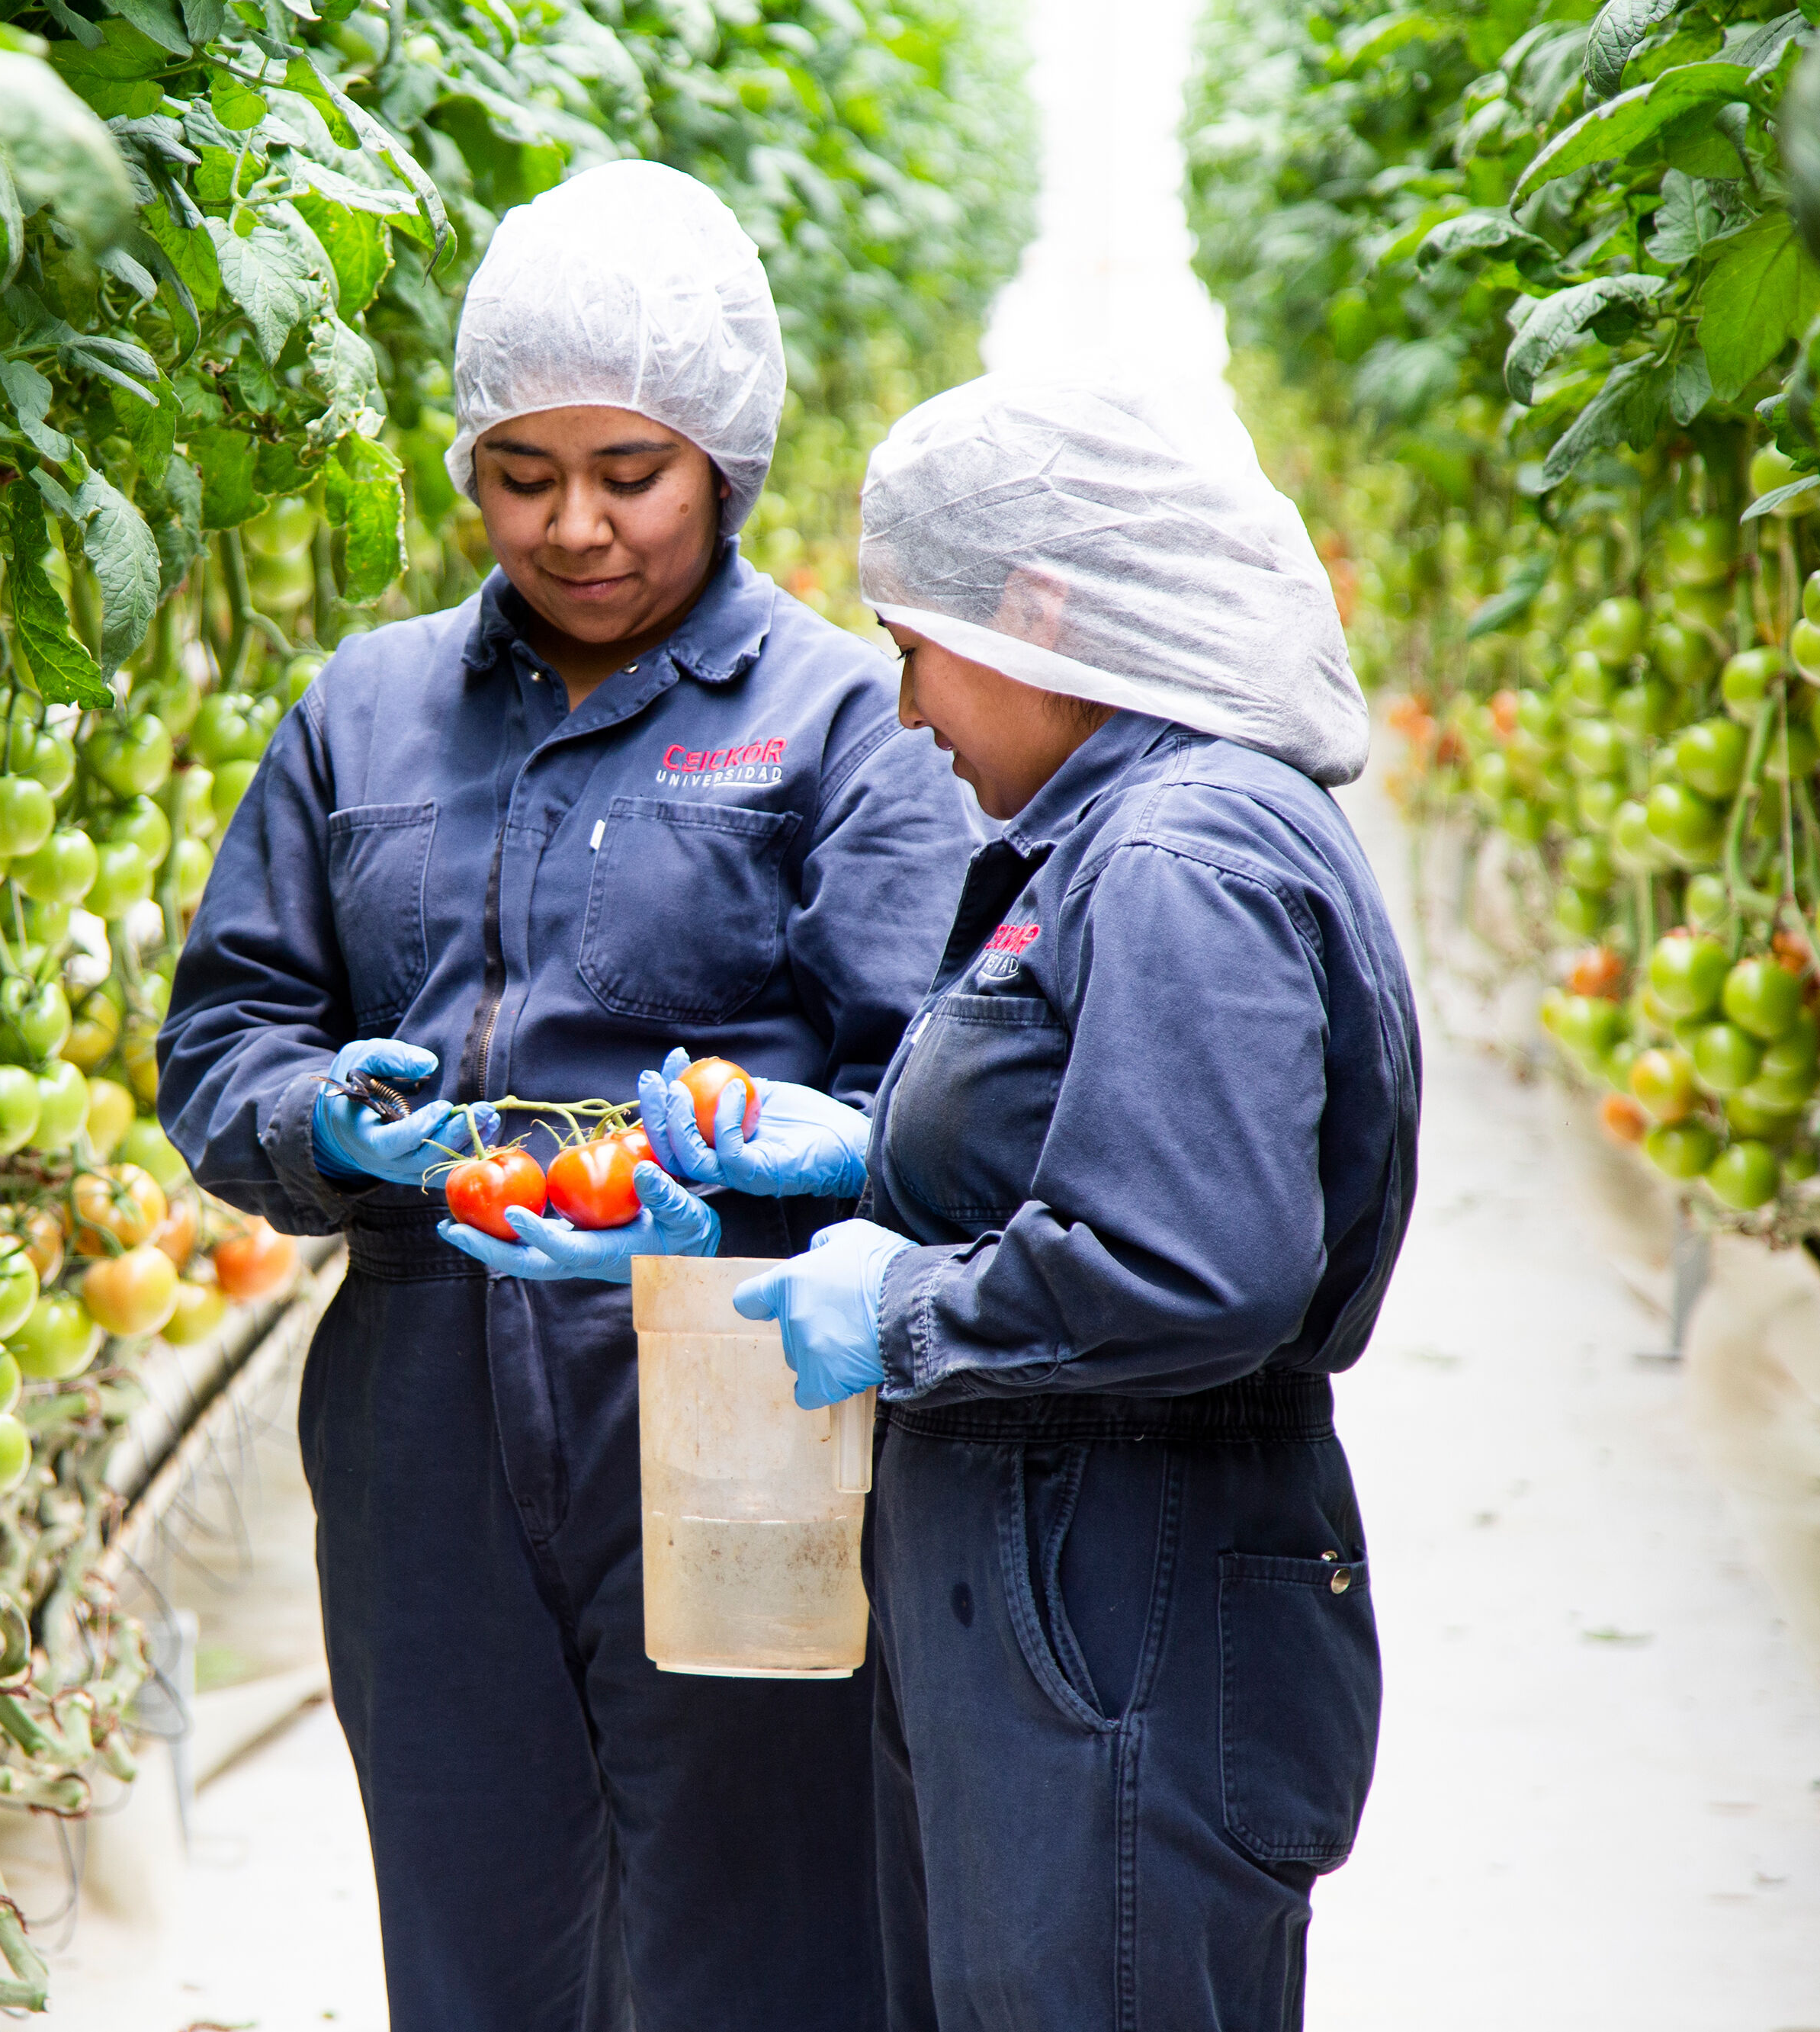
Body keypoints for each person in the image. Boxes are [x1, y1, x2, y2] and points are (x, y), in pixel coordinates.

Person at [155, 159, 977, 2031]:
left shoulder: (842, 722)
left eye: (633, 474)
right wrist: (322, 1126)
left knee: (764, 1926)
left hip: (738, 1379)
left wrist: (766, 1180)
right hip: (422, 1400)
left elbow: (931, 1092)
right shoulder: (360, 716)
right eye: (526, 475)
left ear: (726, 463)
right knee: (469, 1921)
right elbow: (225, 1040)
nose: (579, 526)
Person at [638, 377, 1417, 2030]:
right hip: (1073, 1581)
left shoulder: (1177, 853)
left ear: (1038, 614)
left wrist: (902, 1309)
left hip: (1119, 1586)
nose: (907, 708)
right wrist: (865, 1156)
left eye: (914, 646)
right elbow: (1109, 1135)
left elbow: (1193, 1264)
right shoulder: (1114, 834)